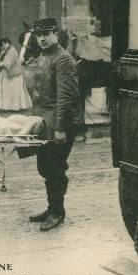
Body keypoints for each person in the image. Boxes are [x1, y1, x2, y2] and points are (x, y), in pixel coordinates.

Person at [28, 18, 82, 231]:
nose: (42, 38)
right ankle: (51, 208)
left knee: (54, 167)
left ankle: (57, 212)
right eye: (39, 34)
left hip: (60, 123)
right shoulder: (44, 56)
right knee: (45, 166)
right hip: (44, 122)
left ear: (56, 34)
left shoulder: (63, 60)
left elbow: (65, 97)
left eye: (47, 33)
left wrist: (60, 128)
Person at [0, 37, 32, 111]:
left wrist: (0, 63)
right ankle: (7, 106)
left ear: (9, 43)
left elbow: (7, 63)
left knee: (13, 90)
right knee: (7, 91)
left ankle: (15, 107)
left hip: (13, 74)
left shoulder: (12, 51)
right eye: (2, 44)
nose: (4, 46)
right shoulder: (4, 51)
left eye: (5, 43)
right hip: (7, 73)